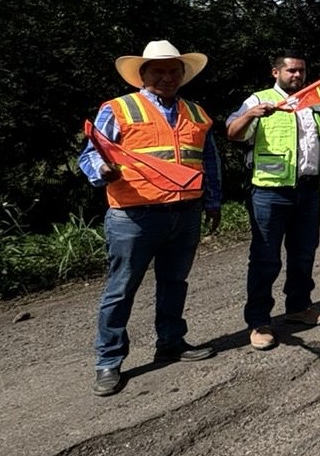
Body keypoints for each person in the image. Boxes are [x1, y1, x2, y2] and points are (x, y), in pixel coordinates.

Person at [79, 40, 221, 397]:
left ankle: (171, 341)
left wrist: (214, 201)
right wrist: (103, 171)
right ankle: (108, 360)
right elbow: (90, 154)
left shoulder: (197, 113)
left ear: (183, 74)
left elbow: (209, 162)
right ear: (142, 74)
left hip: (185, 214)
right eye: (159, 70)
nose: (167, 76)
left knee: (175, 283)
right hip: (133, 215)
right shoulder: (119, 108)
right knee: (121, 289)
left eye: (174, 70)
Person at [226, 52, 320, 351]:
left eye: (301, 70)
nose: (297, 76)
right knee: (266, 257)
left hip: (308, 190)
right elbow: (232, 133)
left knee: (304, 253)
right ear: (275, 72)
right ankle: (259, 321)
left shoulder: (313, 102)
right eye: (290, 71)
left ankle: (299, 307)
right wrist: (251, 115)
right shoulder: (259, 100)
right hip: (270, 193)